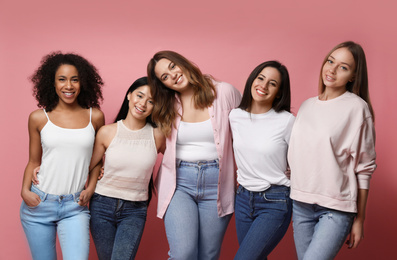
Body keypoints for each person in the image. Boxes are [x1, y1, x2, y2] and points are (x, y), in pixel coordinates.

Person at [147, 50, 241, 260]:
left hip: (218, 183)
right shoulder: (167, 105)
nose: (172, 75)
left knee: (208, 255)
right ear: (164, 85)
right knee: (183, 253)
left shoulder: (224, 92)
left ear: (183, 63)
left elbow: (250, 129)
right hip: (179, 183)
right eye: (164, 77)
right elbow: (143, 136)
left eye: (172, 66)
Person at [288, 41, 376, 260]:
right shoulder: (307, 105)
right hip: (300, 204)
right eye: (330, 61)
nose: (332, 70)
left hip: (335, 208)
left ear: (353, 76)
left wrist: (359, 219)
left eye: (343, 67)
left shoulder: (357, 108)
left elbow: (364, 168)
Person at [20, 52, 104, 260]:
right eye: (62, 79)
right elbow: (33, 161)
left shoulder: (95, 116)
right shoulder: (39, 118)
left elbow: (97, 160)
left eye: (74, 79)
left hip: (75, 206)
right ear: (53, 83)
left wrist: (90, 188)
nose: (69, 86)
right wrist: (24, 191)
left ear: (82, 82)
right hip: (39, 203)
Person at [86, 77, 165, 260]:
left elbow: (174, 165)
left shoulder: (157, 135)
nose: (143, 104)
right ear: (129, 95)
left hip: (135, 210)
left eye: (151, 101)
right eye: (139, 95)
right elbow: (87, 166)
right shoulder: (107, 131)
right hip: (101, 205)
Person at [229, 60, 294, 260]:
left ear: (279, 92)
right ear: (252, 80)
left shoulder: (286, 120)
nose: (263, 86)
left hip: (275, 200)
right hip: (242, 198)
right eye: (261, 78)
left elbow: (303, 155)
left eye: (272, 83)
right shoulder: (235, 116)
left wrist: (295, 169)